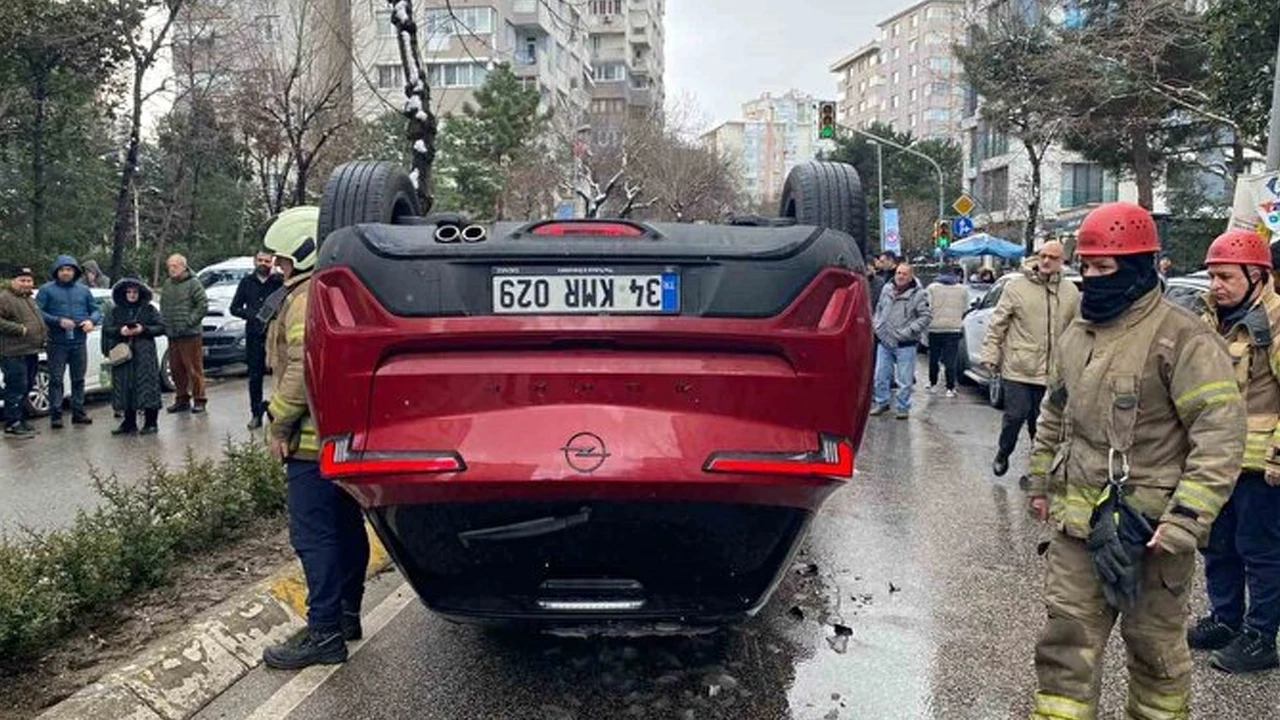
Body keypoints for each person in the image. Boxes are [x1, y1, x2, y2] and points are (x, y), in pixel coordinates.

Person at [1025, 202, 1244, 720]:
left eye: (1106, 269)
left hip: (1152, 536)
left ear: (1142, 267)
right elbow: (1055, 413)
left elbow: (1219, 436)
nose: (1093, 279)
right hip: (1078, 531)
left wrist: (1185, 520)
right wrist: (1038, 480)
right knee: (1064, 650)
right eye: (1088, 268)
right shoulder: (1078, 332)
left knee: (1155, 657)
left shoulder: (1183, 338)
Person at [259, 207, 369, 670]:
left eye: (282, 260)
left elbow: (302, 368)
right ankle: (345, 615)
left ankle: (324, 631)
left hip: (308, 442)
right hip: (339, 437)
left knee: (314, 536)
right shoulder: (332, 289)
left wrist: (278, 422)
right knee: (345, 529)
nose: (278, 269)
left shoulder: (304, 298)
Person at [1184, 229, 1280, 674]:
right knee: (1217, 546)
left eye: (1226, 277)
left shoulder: (1275, 322)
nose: (1216, 286)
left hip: (1262, 467)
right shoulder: (1207, 319)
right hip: (1216, 460)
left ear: (1257, 276)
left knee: (1259, 552)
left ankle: (1261, 637)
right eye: (1212, 277)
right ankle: (1226, 620)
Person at [980, 241, 1079, 478]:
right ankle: (1004, 452)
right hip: (1019, 368)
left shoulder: (1070, 292)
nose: (1045, 261)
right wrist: (991, 354)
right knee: (1015, 415)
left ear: (1061, 261)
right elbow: (997, 324)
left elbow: (1077, 331)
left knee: (1042, 425)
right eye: (1042, 256)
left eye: (1052, 258)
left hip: (1053, 371)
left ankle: (1037, 472)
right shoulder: (1017, 287)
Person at [36, 255, 101, 429]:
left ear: (75, 272)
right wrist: (57, 321)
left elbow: (96, 310)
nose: (66, 273)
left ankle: (78, 412)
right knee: (56, 379)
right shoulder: (46, 290)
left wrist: (91, 321)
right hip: (57, 342)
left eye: (69, 270)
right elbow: (38, 312)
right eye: (63, 270)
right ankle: (56, 415)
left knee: (78, 379)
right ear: (57, 272)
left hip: (79, 341)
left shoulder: (83, 290)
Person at [103, 277, 166, 436]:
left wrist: (142, 329)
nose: (131, 295)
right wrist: (120, 331)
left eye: (135, 292)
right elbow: (107, 329)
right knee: (125, 387)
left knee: (147, 386)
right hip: (123, 354)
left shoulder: (149, 309)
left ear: (140, 293)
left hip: (144, 354)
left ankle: (151, 423)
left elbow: (161, 327)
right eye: (128, 292)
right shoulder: (115, 311)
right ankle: (129, 423)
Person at [871, 262, 931, 419]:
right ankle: (881, 402)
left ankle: (903, 407)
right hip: (884, 341)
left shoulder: (919, 294)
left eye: (904, 274)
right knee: (880, 375)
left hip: (906, 344)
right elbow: (879, 308)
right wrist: (877, 324)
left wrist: (908, 331)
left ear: (911, 276)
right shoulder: (886, 289)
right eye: (898, 273)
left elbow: (925, 316)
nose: (900, 276)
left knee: (904, 379)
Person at [230, 251, 283, 429]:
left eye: (267, 261)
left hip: (275, 335)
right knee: (255, 376)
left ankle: (278, 412)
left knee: (279, 373)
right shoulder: (246, 282)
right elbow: (234, 308)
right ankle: (256, 413)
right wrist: (252, 315)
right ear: (254, 261)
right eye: (260, 260)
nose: (263, 263)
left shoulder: (278, 282)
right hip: (254, 334)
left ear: (272, 263)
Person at [1, 267, 47, 439]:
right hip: (13, 352)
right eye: (22, 280)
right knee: (16, 387)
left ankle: (20, 420)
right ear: (13, 281)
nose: (26, 284)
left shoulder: (29, 298)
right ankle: (12, 424)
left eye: (29, 281)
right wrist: (19, 329)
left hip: (31, 350)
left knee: (26, 386)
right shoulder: (5, 298)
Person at [160, 254, 208, 413]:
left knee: (194, 368)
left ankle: (199, 399)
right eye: (169, 266)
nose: (171, 269)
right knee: (175, 368)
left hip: (190, 334)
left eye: (175, 266)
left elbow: (202, 305)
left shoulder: (193, 283)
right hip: (173, 333)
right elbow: (164, 306)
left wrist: (189, 322)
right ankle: (182, 399)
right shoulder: (167, 284)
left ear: (183, 266)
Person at [925, 264, 968, 398]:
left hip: (934, 327)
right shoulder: (963, 289)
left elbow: (928, 307)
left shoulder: (932, 288)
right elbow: (965, 308)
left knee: (934, 358)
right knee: (951, 359)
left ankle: (933, 384)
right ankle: (950, 387)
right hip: (953, 328)